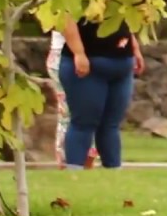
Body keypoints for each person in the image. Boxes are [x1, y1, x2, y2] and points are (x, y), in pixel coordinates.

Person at [57, 16, 145, 170]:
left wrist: (135, 48)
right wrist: (78, 52)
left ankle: (113, 172)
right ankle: (74, 173)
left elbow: (124, 17)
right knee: (84, 123)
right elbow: (65, 18)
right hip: (88, 64)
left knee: (111, 124)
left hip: (122, 64)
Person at [46, 29, 98, 169]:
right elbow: (67, 22)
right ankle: (71, 164)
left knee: (91, 110)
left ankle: (83, 163)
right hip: (68, 55)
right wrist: (78, 53)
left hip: (88, 55)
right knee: (71, 114)